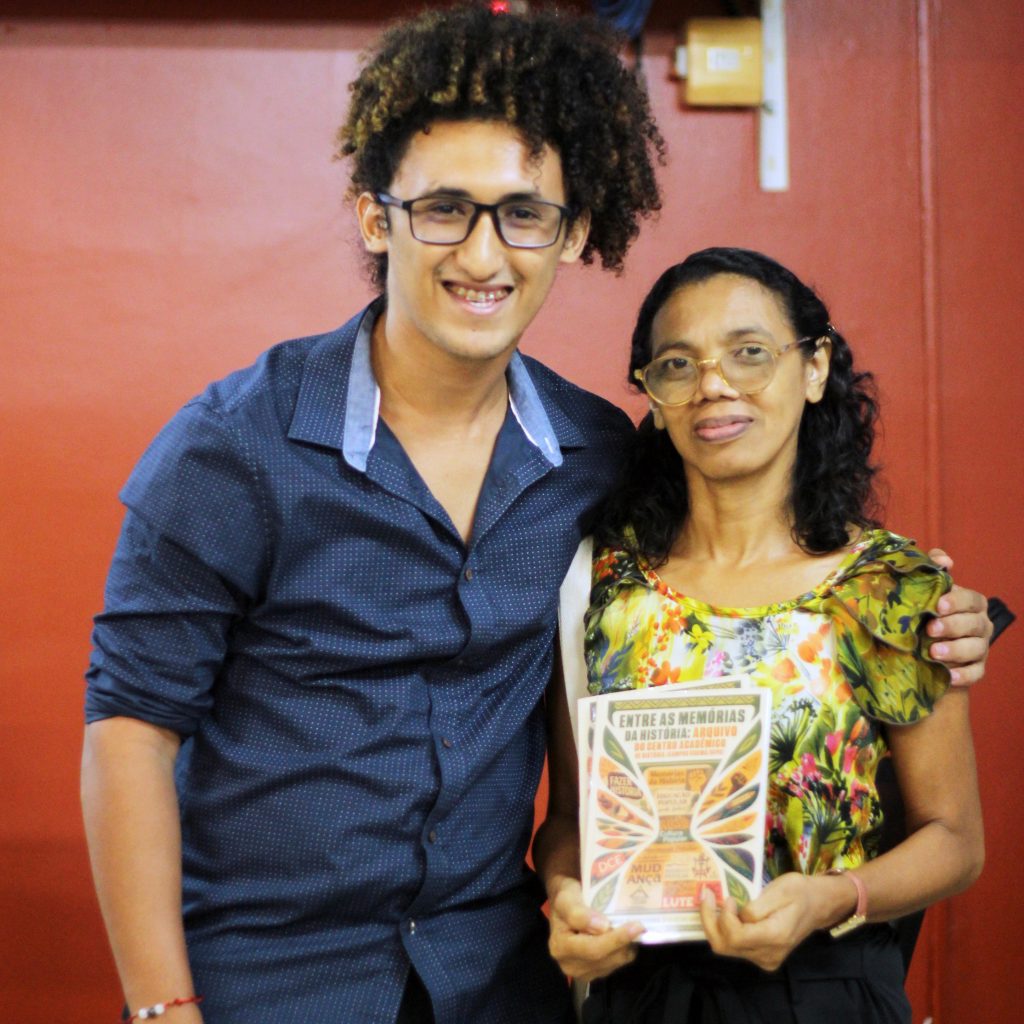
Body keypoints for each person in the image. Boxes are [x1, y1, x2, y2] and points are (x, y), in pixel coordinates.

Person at [79, 5, 990, 1022]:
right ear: (376, 217)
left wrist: (927, 610)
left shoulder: (599, 455)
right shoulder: (231, 448)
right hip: (273, 979)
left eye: (523, 213)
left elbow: (751, 555)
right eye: (445, 209)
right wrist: (163, 1008)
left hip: (496, 980)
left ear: (573, 233)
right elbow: (129, 729)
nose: (483, 252)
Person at [534, 247, 985, 1024]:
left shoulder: (890, 587)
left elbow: (955, 838)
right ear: (651, 394)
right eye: (677, 364)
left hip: (827, 992)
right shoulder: (599, 590)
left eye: (749, 354)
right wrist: (567, 895)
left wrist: (830, 898)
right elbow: (574, 820)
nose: (713, 384)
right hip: (641, 995)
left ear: (814, 370)